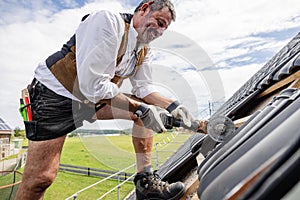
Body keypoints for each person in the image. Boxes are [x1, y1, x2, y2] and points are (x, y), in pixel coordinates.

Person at [16, 0, 206, 199]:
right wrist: (142, 109)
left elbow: (144, 89)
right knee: (40, 179)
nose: (160, 32)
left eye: (164, 29)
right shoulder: (108, 22)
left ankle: (145, 183)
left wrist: (174, 106)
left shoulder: (143, 50)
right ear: (144, 8)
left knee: (144, 108)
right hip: (53, 98)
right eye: (159, 22)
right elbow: (94, 86)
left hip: (89, 102)